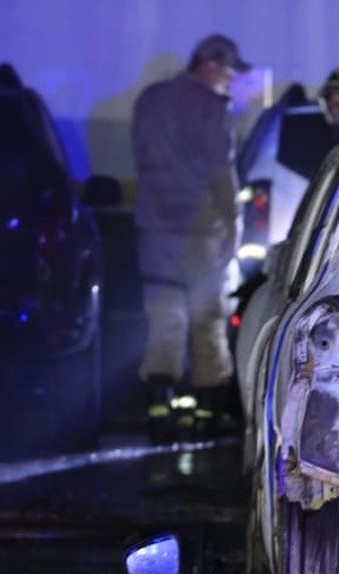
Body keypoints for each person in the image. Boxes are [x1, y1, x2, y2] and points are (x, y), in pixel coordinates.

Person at [131, 34, 251, 442]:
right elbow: (222, 170)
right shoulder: (211, 108)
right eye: (231, 72)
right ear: (211, 64)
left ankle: (159, 412)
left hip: (155, 231)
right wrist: (234, 222)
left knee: (163, 319)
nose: (231, 81)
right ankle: (208, 416)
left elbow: (144, 161)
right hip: (202, 235)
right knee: (208, 320)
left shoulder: (149, 100)